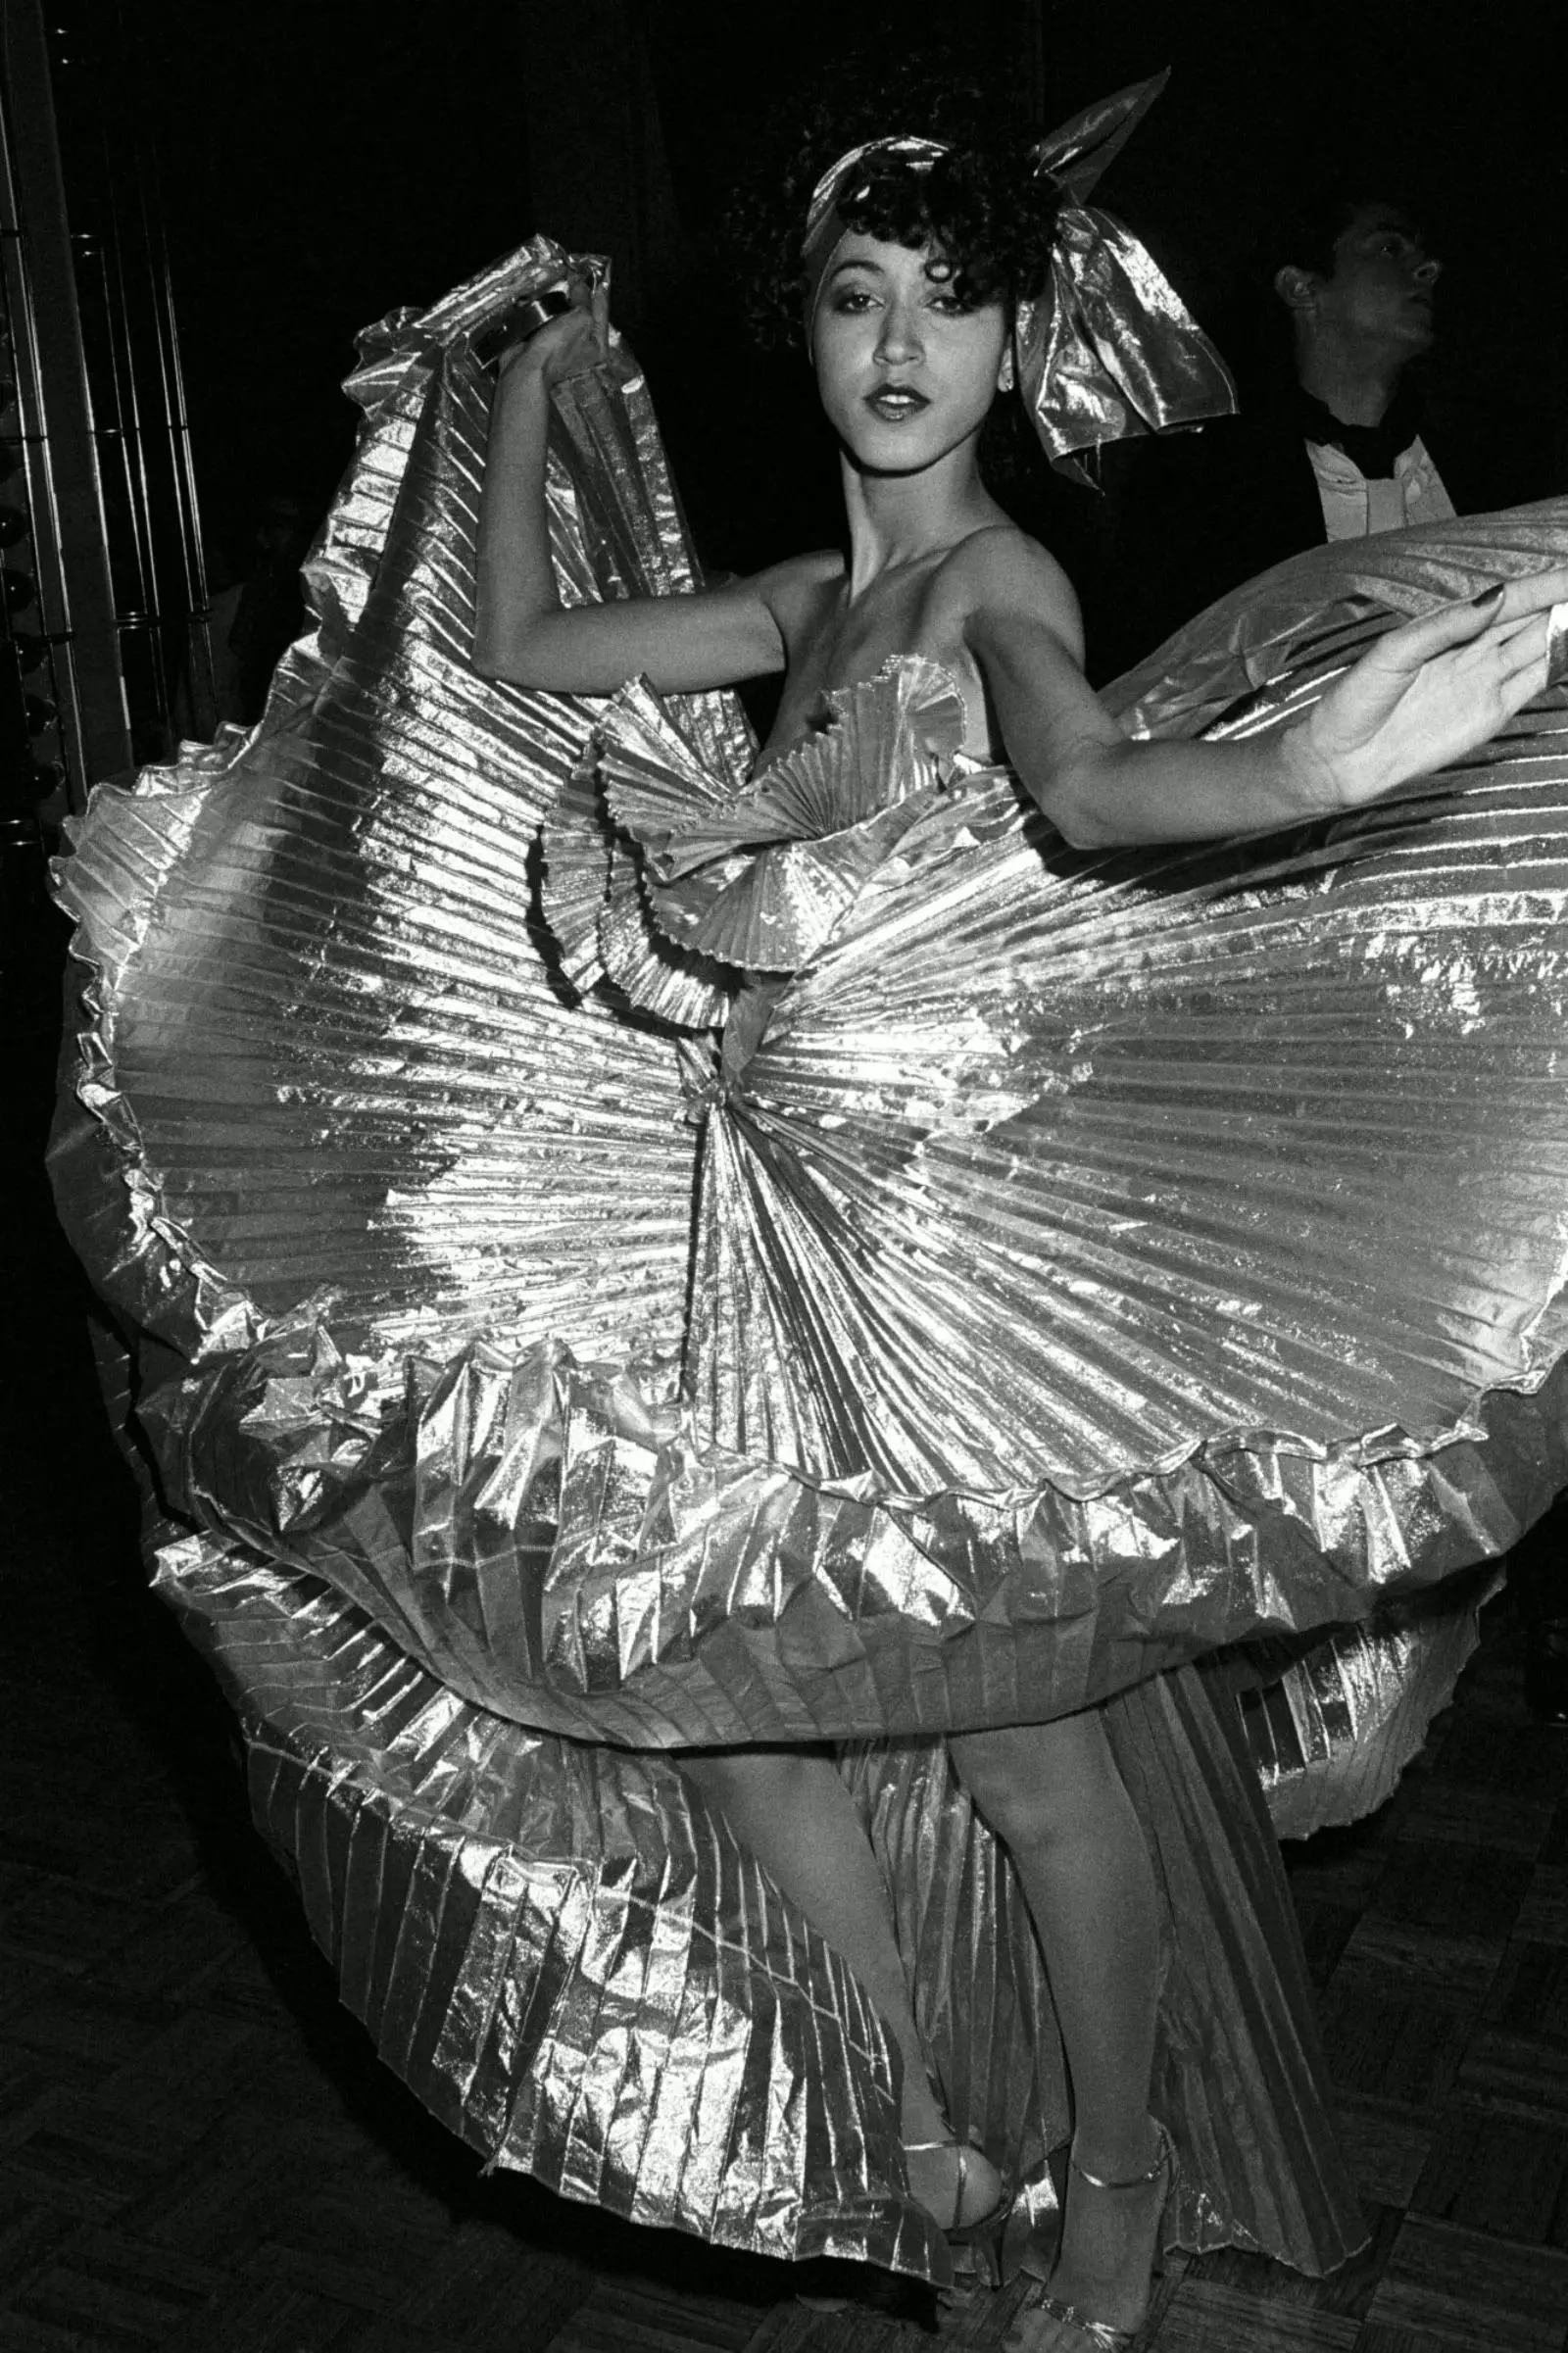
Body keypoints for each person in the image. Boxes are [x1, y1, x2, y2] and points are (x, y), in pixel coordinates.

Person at [468, 121, 1568, 2353]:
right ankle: (929, 2128)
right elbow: (510, 632)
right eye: (859, 295)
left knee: (1023, 1758)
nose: (898, 345)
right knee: (741, 1718)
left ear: (1012, 342)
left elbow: (1085, 786)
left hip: (942, 1256)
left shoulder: (994, 591)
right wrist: (516, 373)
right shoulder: (805, 601)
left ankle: (1114, 2184)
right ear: (811, 325)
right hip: (761, 1243)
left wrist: (1299, 776)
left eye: (944, 303)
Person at [1099, 185, 1560, 677]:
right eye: (1389, 248)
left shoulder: (1503, 462)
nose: (1430, 268)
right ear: (1303, 288)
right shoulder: (1205, 485)